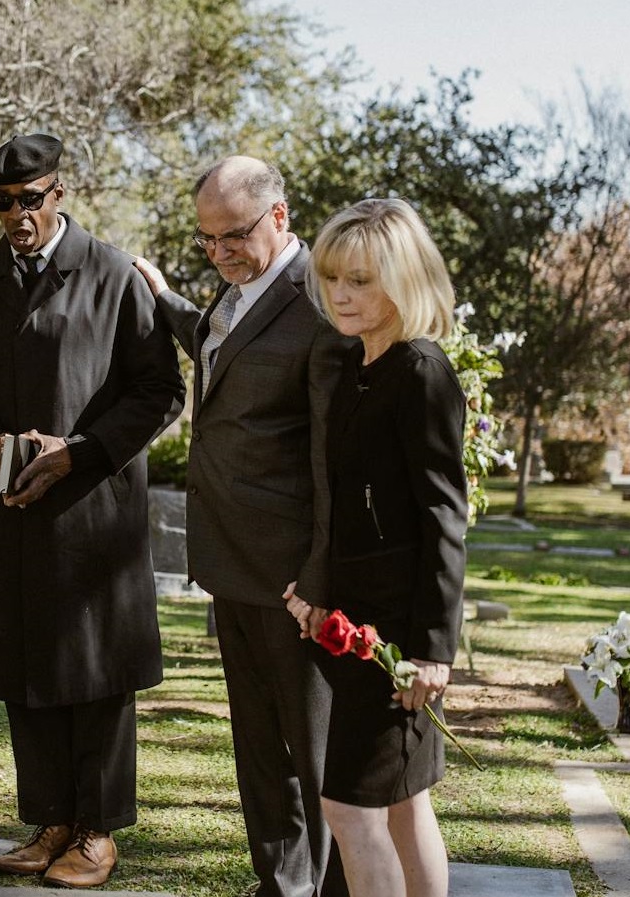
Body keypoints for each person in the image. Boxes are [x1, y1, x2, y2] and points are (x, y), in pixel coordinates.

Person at [0, 134, 184, 888]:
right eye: (1, 202)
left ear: (59, 192)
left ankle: (98, 831)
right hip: (9, 506)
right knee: (26, 667)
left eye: (29, 198)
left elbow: (160, 390)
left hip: (94, 510)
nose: (16, 214)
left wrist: (79, 451)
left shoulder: (114, 276)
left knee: (96, 670)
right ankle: (51, 823)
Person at [134, 156, 350, 897]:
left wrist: (320, 579)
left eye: (233, 235)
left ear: (280, 217)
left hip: (295, 580)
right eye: (206, 239)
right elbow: (214, 344)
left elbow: (332, 461)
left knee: (313, 752)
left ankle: (330, 888)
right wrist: (162, 294)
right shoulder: (235, 298)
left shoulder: (321, 305)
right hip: (232, 565)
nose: (219, 251)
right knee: (258, 749)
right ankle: (280, 883)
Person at [287, 197, 468, 897]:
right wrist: (317, 592)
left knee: (347, 807)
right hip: (359, 622)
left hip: (396, 632)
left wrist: (430, 650)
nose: (338, 294)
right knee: (399, 802)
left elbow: (442, 517)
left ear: (403, 278)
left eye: (359, 279)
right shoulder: (362, 364)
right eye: (331, 277)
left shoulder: (418, 369)